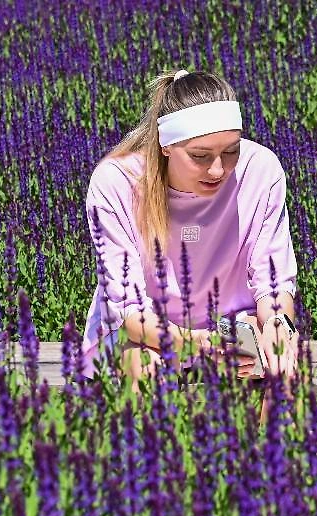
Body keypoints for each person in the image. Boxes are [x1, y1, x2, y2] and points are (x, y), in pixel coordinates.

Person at [82, 69, 299, 384]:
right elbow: (131, 314)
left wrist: (278, 329)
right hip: (147, 335)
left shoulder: (261, 170)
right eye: (200, 156)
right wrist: (205, 345)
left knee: (281, 369)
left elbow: (273, 281)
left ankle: (276, 435)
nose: (217, 170)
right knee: (141, 362)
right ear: (166, 146)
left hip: (233, 331)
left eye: (231, 152)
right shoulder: (116, 183)